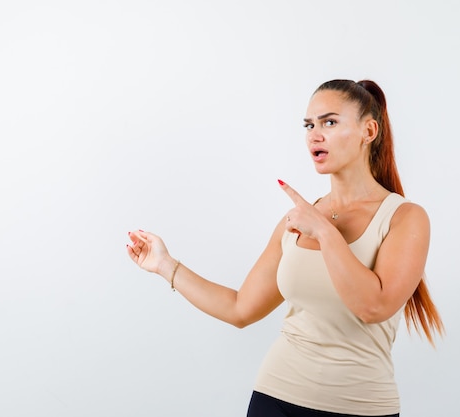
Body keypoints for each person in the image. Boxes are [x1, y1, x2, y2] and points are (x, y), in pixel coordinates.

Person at [126, 79, 444, 417]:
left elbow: (373, 306)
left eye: (330, 122)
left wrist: (324, 231)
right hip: (276, 396)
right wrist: (165, 265)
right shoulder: (297, 220)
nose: (314, 135)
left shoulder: (404, 218)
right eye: (309, 125)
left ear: (369, 130)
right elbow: (240, 309)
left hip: (361, 406)